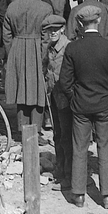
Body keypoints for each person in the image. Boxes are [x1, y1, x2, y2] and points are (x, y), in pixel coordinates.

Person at [59, 3, 108, 209]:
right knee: (105, 149)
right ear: (98, 21)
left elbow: (65, 82)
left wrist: (74, 98)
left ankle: (78, 194)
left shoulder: (72, 48)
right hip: (105, 105)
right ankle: (107, 196)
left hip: (81, 106)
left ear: (80, 23)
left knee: (79, 148)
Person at [3, 0, 53, 130]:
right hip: (37, 47)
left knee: (20, 89)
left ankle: (22, 127)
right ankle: (35, 129)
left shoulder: (12, 6)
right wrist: (45, 55)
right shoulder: (45, 8)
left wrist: (12, 53)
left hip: (17, 46)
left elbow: (6, 35)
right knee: (38, 88)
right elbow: (47, 37)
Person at [42, 14, 72, 190]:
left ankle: (69, 176)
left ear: (62, 29)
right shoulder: (50, 47)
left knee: (67, 137)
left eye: (55, 30)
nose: (52, 33)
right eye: (49, 30)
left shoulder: (68, 47)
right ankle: (60, 169)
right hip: (53, 97)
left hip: (66, 100)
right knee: (57, 134)